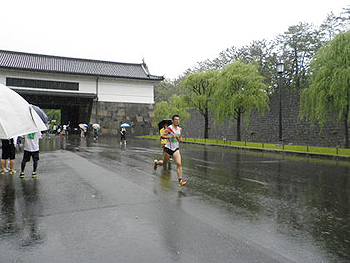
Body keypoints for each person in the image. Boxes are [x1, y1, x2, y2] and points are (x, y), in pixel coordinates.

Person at [154, 115, 187, 186]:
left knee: (179, 164)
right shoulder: (169, 128)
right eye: (176, 119)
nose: (177, 121)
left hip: (176, 149)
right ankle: (156, 163)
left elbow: (180, 137)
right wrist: (170, 136)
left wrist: (180, 139)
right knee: (164, 163)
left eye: (178, 119)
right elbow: (162, 136)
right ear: (172, 121)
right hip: (168, 148)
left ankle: (180, 180)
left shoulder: (180, 129)